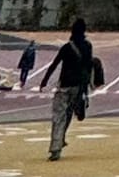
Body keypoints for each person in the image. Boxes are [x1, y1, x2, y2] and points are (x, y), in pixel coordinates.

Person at [38, 20, 105, 160]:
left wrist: (44, 81)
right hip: (78, 87)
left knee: (58, 116)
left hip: (64, 85)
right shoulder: (88, 46)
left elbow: (54, 65)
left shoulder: (67, 48)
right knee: (68, 115)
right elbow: (87, 66)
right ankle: (61, 139)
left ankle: (55, 147)